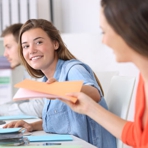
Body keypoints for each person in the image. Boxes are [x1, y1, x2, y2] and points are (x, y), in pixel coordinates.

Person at [3, 19, 116, 148]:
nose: (32, 50)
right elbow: (61, 120)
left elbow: (94, 94)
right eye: (26, 46)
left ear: (55, 44)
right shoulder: (47, 80)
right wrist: (32, 125)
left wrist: (60, 89)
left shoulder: (73, 69)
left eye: (38, 42)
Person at [53, 0, 148, 148]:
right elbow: (140, 137)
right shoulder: (144, 76)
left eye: (104, 32)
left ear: (128, 29)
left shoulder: (73, 69)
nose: (104, 41)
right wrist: (89, 108)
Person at [0, 23, 44, 118]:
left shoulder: (41, 67)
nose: (5, 54)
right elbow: (25, 99)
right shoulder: (28, 71)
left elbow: (40, 107)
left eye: (8, 47)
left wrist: (3, 110)